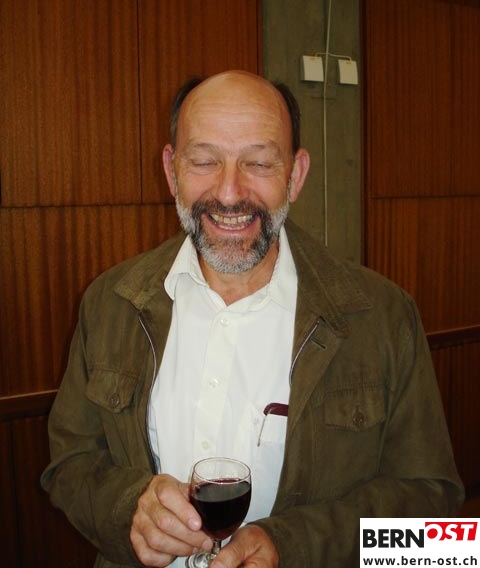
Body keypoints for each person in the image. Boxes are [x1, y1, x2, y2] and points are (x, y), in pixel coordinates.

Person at [41, 70, 464, 568]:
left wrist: (295, 547)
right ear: (172, 170)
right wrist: (127, 511)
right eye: (204, 161)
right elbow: (68, 467)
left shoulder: (384, 317)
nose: (228, 193)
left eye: (259, 162)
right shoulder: (110, 303)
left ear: (295, 175)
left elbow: (436, 522)